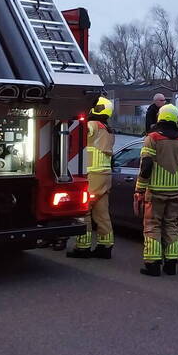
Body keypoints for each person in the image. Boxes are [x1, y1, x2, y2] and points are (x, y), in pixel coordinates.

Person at [134, 104, 178, 276]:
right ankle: (171, 264)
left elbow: (145, 167)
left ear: (160, 118)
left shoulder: (152, 138)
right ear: (177, 119)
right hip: (176, 193)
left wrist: (139, 189)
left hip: (154, 192)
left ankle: (152, 265)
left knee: (152, 226)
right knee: (172, 226)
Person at [68, 96, 115, 259]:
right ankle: (105, 246)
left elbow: (75, 135)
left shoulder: (91, 125)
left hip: (91, 176)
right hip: (105, 177)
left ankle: (83, 247)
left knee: (84, 211)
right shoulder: (108, 130)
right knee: (102, 214)